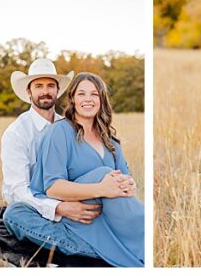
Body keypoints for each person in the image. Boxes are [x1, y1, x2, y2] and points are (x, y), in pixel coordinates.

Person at [30, 72, 144, 267]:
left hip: (114, 214)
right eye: (82, 94)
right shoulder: (60, 132)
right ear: (72, 99)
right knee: (103, 174)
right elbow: (52, 188)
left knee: (139, 222)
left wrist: (130, 185)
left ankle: (140, 243)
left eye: (94, 94)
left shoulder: (111, 141)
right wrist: (101, 188)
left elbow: (125, 179)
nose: (88, 99)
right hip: (81, 215)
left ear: (102, 100)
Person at [1, 58, 103, 261]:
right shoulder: (16, 133)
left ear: (57, 91)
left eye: (50, 85)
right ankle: (90, 251)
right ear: (29, 92)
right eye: (38, 86)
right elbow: (18, 190)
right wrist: (58, 208)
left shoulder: (71, 126)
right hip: (34, 207)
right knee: (13, 215)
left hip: (71, 195)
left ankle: (102, 237)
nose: (45, 91)